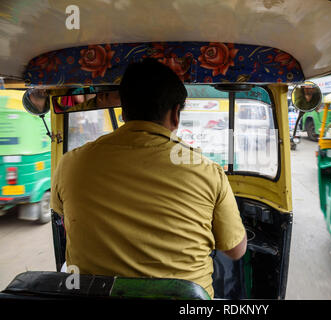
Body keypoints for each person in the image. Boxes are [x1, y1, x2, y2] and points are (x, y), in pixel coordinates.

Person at [50, 58, 247, 298]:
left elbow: (68, 225)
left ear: (123, 111)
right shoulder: (208, 171)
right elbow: (236, 251)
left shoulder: (71, 164)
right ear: (176, 114)